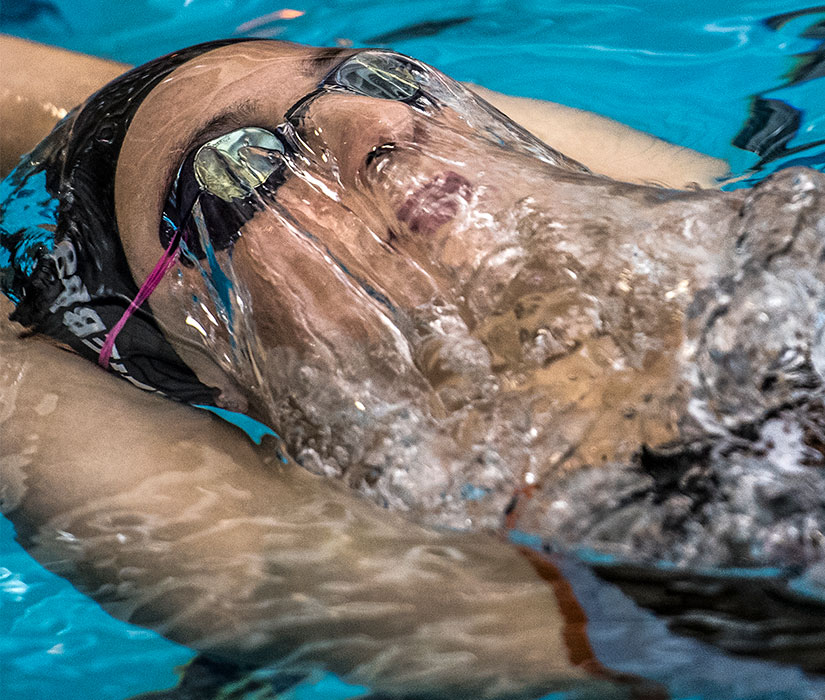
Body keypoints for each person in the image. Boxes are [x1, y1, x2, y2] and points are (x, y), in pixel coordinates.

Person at [2, 36, 824, 687]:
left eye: (372, 78)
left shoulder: (755, 235)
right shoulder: (479, 591)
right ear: (209, 360)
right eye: (238, 173)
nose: (377, 130)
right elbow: (27, 384)